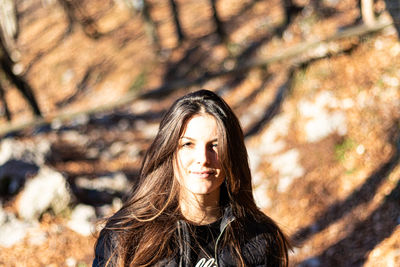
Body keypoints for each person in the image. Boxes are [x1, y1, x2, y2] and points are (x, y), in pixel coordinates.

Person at [93, 89, 291, 267]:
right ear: (169, 151)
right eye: (188, 144)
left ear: (231, 153)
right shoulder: (126, 236)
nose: (203, 159)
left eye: (214, 145)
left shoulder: (259, 239)